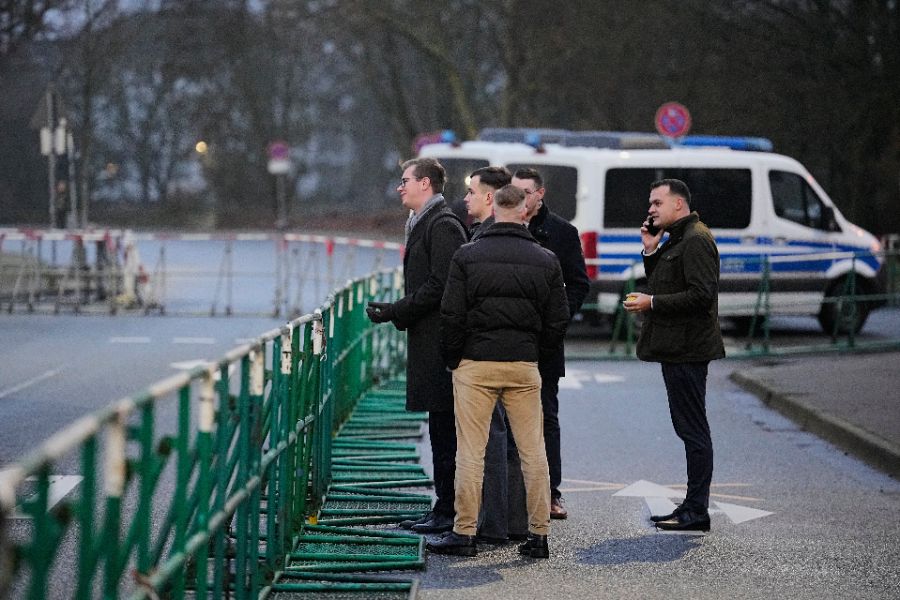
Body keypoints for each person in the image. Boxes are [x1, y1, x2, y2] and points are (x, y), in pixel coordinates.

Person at [426, 184, 570, 558]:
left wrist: (453, 358)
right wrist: (536, 352)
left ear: (493, 209)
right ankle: (538, 536)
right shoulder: (546, 260)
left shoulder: (467, 255)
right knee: (533, 452)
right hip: (523, 365)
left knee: (471, 453)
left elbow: (451, 315)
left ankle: (464, 533)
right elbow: (558, 320)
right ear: (524, 211)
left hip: (475, 364)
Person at [366, 157, 468, 534]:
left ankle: (449, 512)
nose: (399, 187)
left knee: (445, 432)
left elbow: (442, 284)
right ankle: (444, 507)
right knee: (439, 429)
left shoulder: (442, 225)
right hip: (430, 339)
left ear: (425, 184)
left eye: (405, 180)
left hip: (441, 342)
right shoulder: (424, 222)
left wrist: (398, 310)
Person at [624, 178, 725, 532]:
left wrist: (652, 303)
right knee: (689, 429)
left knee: (694, 431)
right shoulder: (678, 238)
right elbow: (667, 283)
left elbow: (700, 295)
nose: (650, 209)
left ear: (678, 205)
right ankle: (692, 506)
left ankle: (696, 511)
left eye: (657, 203)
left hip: (689, 348)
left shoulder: (696, 239)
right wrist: (651, 251)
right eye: (651, 203)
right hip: (677, 347)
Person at [510, 168, 589, 519]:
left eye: (527, 192)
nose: (521, 199)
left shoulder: (562, 232)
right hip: (508, 340)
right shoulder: (502, 225)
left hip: (545, 342)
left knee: (546, 418)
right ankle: (509, 494)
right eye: (515, 192)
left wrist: (558, 322)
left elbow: (578, 284)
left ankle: (551, 492)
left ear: (540, 194)